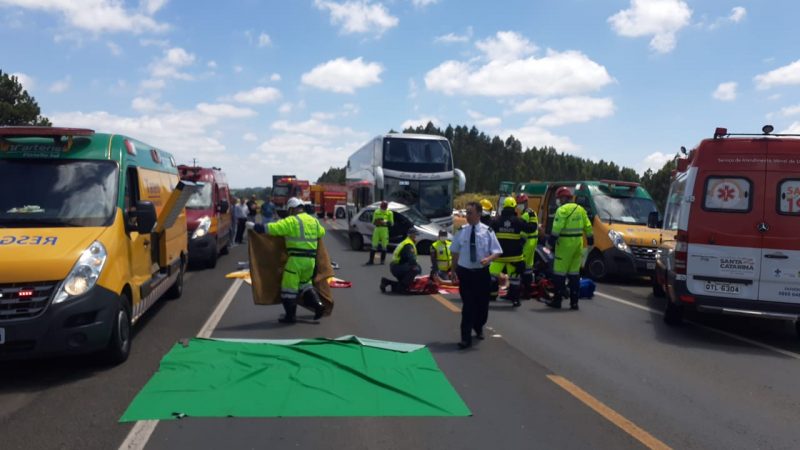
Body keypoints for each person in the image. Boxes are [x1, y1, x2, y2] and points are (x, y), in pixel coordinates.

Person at [246, 197, 326, 323]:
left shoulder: (292, 221)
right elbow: (322, 232)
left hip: (296, 261)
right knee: (306, 285)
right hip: (310, 262)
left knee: (288, 289)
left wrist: (256, 227)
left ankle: (290, 316)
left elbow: (273, 228)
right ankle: (319, 306)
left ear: (292, 209)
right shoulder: (314, 221)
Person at [450, 202, 503, 349]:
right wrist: (453, 271)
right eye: (466, 212)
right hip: (465, 272)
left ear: (479, 214)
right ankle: (465, 338)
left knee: (482, 306)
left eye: (470, 213)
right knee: (468, 306)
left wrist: (488, 259)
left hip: (481, 273)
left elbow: (497, 251)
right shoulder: (461, 231)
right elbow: (454, 252)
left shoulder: (488, 231)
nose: (467, 216)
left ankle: (478, 326)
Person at [546, 187, 593, 310]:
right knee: (574, 275)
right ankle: (574, 303)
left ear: (563, 198)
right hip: (578, 244)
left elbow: (556, 228)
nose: (558, 201)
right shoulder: (580, 209)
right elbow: (588, 226)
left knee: (559, 274)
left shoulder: (561, 210)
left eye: (559, 198)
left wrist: (550, 243)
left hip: (564, 245)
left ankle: (557, 300)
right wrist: (590, 239)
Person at [489, 197, 537, 307]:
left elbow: (488, 233)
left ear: (504, 207)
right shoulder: (518, 221)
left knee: (491, 276)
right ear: (514, 207)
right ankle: (515, 300)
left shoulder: (496, 221)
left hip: (499, 256)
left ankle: (491, 295)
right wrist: (533, 216)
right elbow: (531, 229)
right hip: (514, 258)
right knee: (515, 280)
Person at [379, 228, 420, 294]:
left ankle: (386, 282)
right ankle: (402, 288)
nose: (416, 237)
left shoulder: (406, 242)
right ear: (412, 235)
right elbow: (412, 260)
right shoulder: (408, 245)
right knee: (416, 269)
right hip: (398, 267)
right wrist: (418, 271)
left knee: (406, 283)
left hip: (396, 266)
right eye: (416, 235)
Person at [516, 194, 539, 299]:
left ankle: (520, 291)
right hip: (533, 242)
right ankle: (527, 291)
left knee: (521, 266)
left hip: (527, 243)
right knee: (528, 268)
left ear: (525, 203)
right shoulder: (532, 212)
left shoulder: (525, 215)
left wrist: (519, 244)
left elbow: (524, 232)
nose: (519, 206)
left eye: (520, 203)